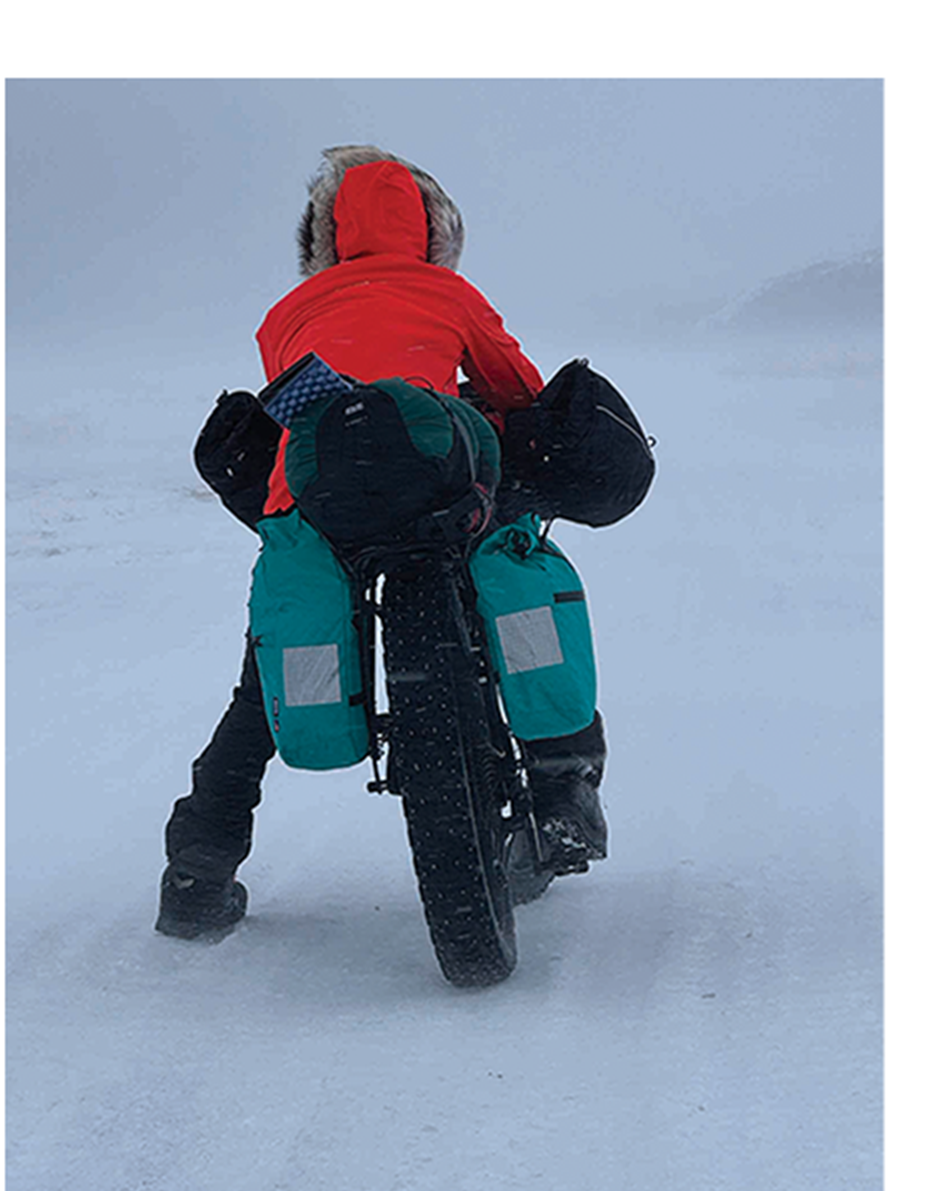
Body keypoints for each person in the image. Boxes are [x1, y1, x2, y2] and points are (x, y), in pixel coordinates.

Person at [158, 145, 609, 941]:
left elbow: (298, 407)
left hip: (317, 509)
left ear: (324, 239)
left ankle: (198, 870)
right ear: (433, 234)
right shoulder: (450, 292)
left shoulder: (286, 316)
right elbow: (517, 391)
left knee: (266, 673)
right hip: (444, 497)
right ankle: (563, 786)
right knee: (516, 585)